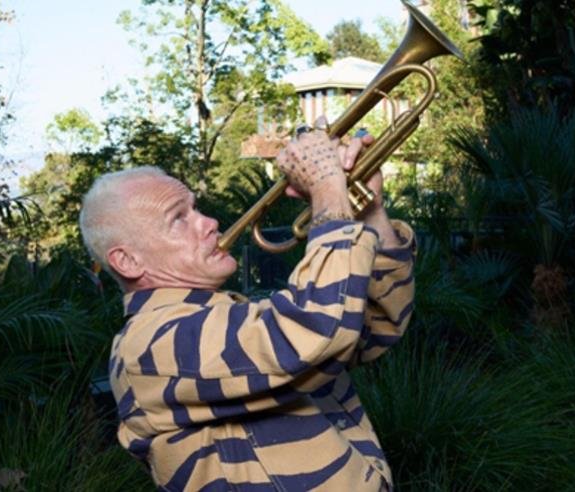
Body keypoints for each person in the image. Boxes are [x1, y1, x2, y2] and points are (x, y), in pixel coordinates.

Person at [78, 119, 415, 491]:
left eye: (196, 208)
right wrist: (326, 188)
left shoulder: (228, 316)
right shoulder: (148, 345)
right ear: (128, 261)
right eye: (178, 219)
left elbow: (376, 325)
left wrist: (367, 210)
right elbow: (316, 332)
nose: (209, 222)